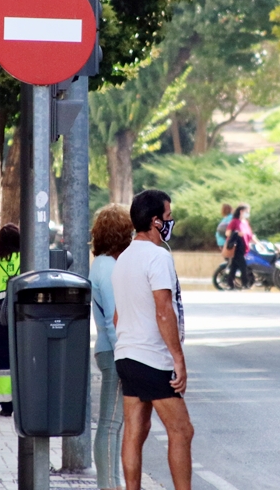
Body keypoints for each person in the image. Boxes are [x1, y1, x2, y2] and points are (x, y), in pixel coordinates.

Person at [112, 189, 193, 490]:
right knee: (182, 430)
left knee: (135, 428)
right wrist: (178, 359)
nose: (172, 223)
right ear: (156, 221)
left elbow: (117, 317)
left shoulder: (123, 259)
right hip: (152, 359)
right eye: (169, 217)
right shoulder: (158, 257)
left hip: (126, 355)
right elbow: (163, 311)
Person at [91, 204, 133, 490]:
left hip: (109, 349)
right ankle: (109, 485)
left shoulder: (103, 265)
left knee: (113, 424)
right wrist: (125, 356)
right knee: (110, 424)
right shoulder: (109, 269)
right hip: (115, 351)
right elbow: (113, 319)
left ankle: (111, 483)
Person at [0, 223, 20, 416]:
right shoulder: (25, 257)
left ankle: (5, 403)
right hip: (18, 308)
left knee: (2, 356)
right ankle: (20, 398)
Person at [224, 205, 253, 290]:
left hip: (244, 247)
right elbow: (228, 233)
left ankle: (229, 283)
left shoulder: (245, 222)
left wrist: (259, 244)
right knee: (243, 266)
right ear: (241, 211)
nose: (248, 213)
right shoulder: (235, 221)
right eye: (247, 211)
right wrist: (237, 233)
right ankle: (245, 283)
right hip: (236, 247)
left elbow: (250, 235)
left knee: (234, 266)